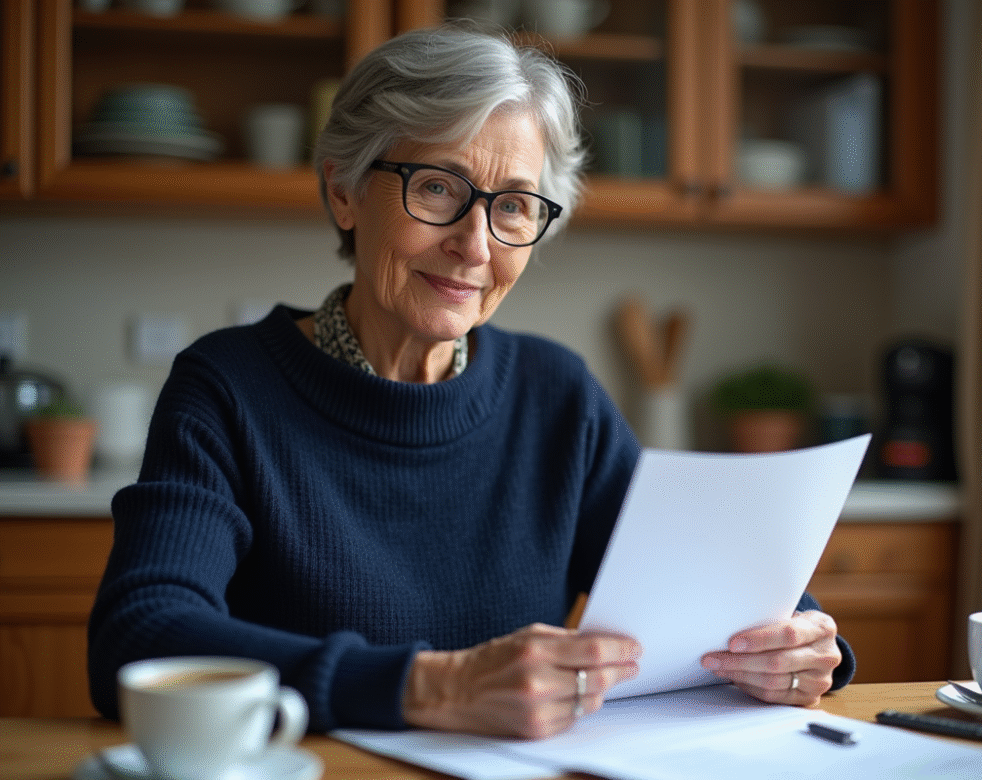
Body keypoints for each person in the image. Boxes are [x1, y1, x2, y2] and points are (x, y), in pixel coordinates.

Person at [87, 25, 855, 740]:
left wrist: (796, 645)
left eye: (513, 206)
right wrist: (435, 686)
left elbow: (710, 588)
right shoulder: (228, 388)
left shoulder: (558, 395)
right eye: (436, 188)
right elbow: (140, 635)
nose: (475, 245)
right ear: (345, 190)